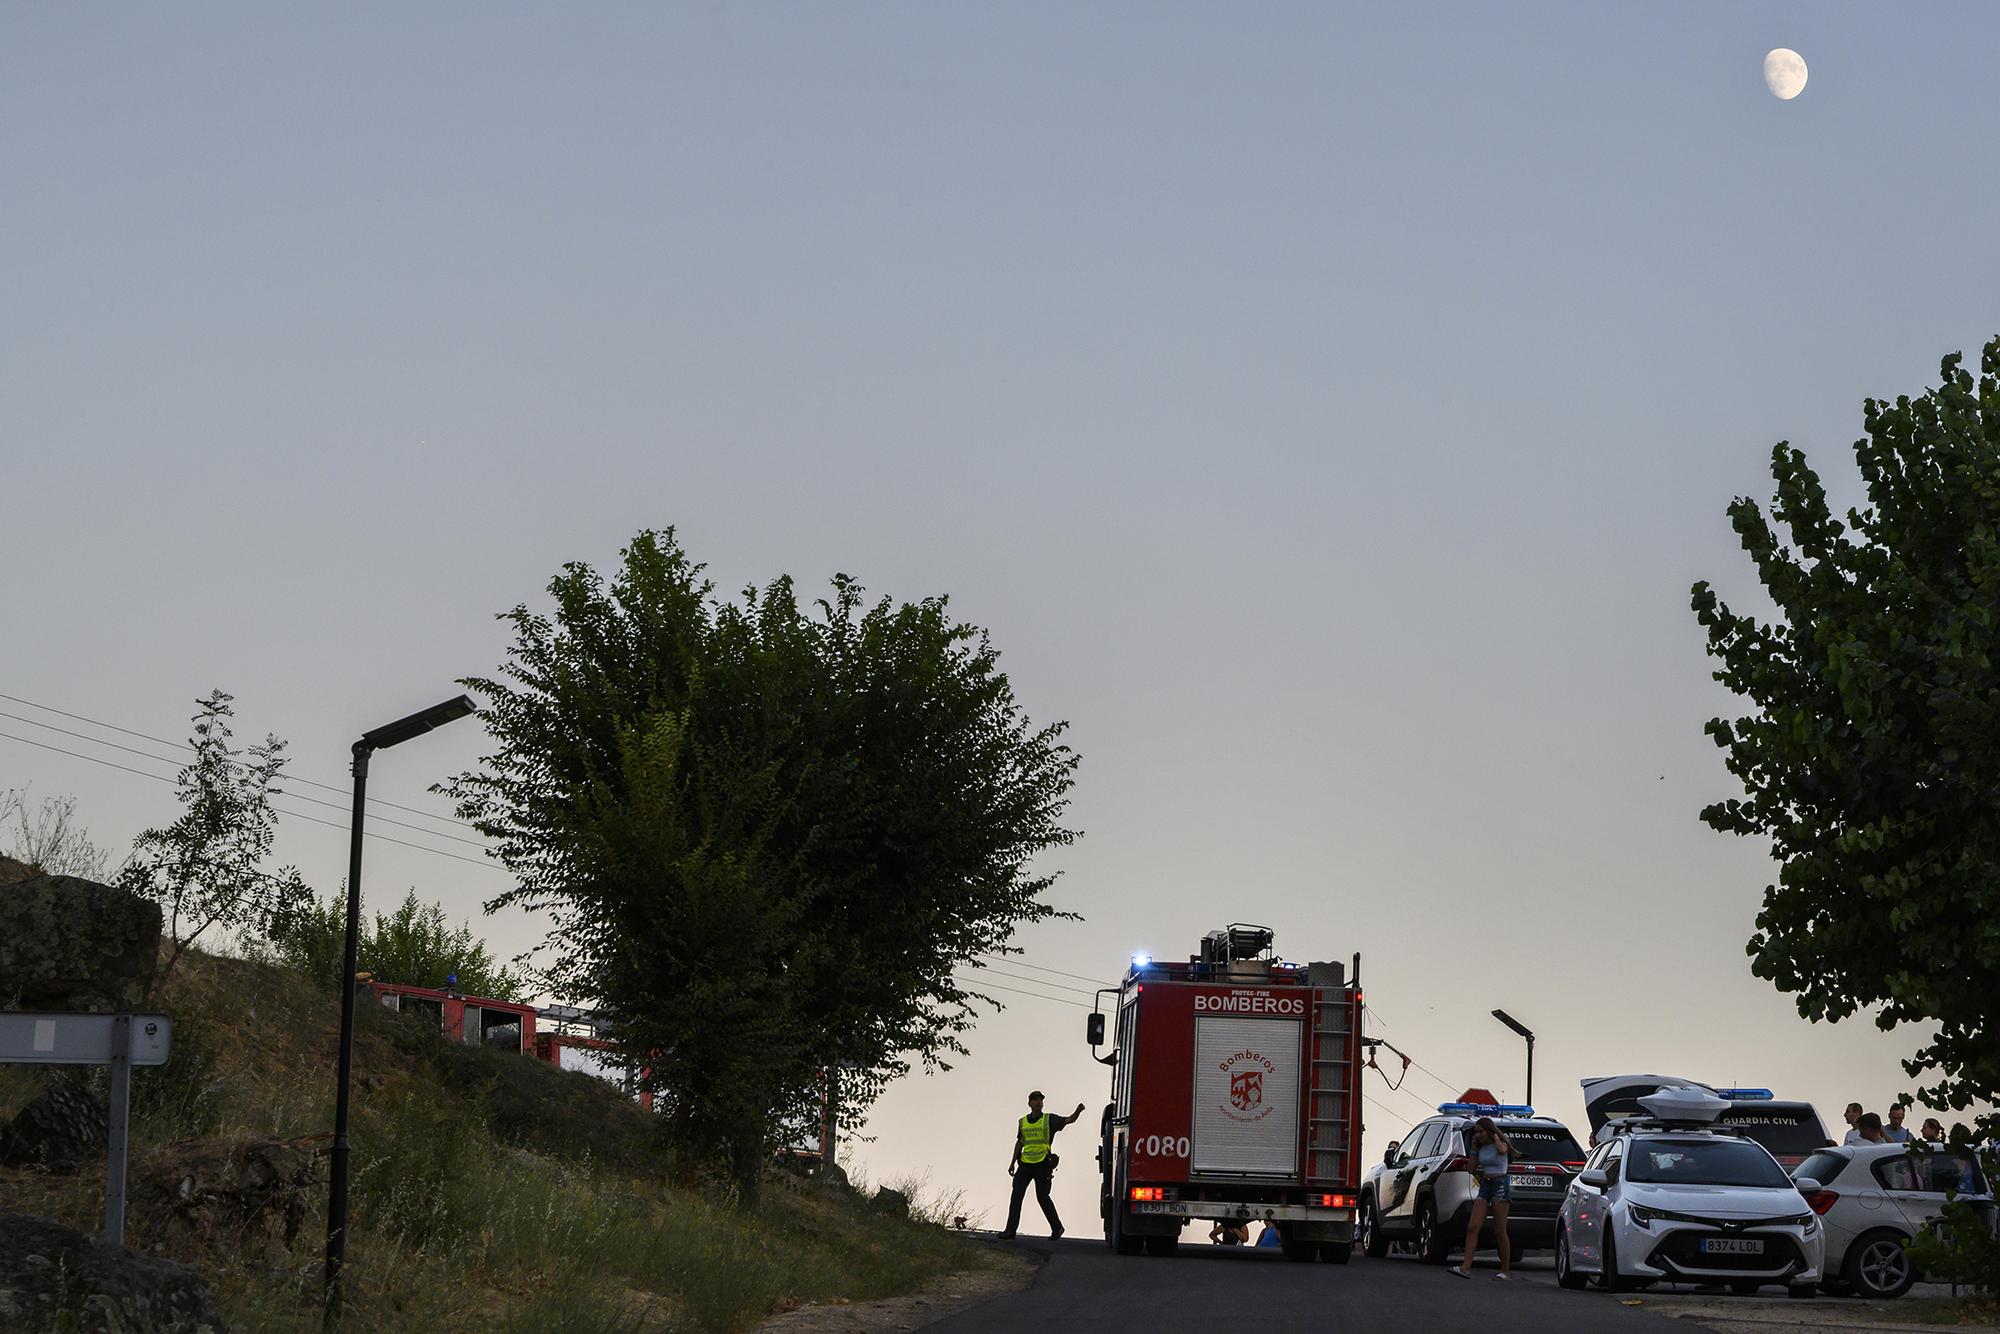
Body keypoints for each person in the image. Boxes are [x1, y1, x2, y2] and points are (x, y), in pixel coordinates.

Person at [998, 1090, 1085, 1240]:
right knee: (1016, 1196)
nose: (1038, 1102)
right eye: (1035, 1100)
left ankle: (1057, 1228)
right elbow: (1020, 1142)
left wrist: (1078, 1111)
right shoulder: (1023, 1122)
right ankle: (1010, 1231)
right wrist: (1012, 1162)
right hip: (1025, 1165)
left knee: (1042, 1197)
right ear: (1029, 1103)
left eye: (1040, 1100)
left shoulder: (1049, 1119)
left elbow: (1069, 1120)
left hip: (1042, 1164)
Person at [1452, 1118, 1514, 1281]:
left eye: (1481, 1131)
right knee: (1473, 1226)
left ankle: (1505, 1271)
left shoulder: (1501, 1142)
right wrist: (1473, 1149)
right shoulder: (1480, 1148)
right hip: (1485, 1185)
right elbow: (1471, 1169)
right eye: (1476, 1132)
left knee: (1500, 1231)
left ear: (1489, 1131)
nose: (1478, 1135)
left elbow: (1502, 1151)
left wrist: (1495, 1137)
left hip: (1500, 1184)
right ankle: (1466, 1267)